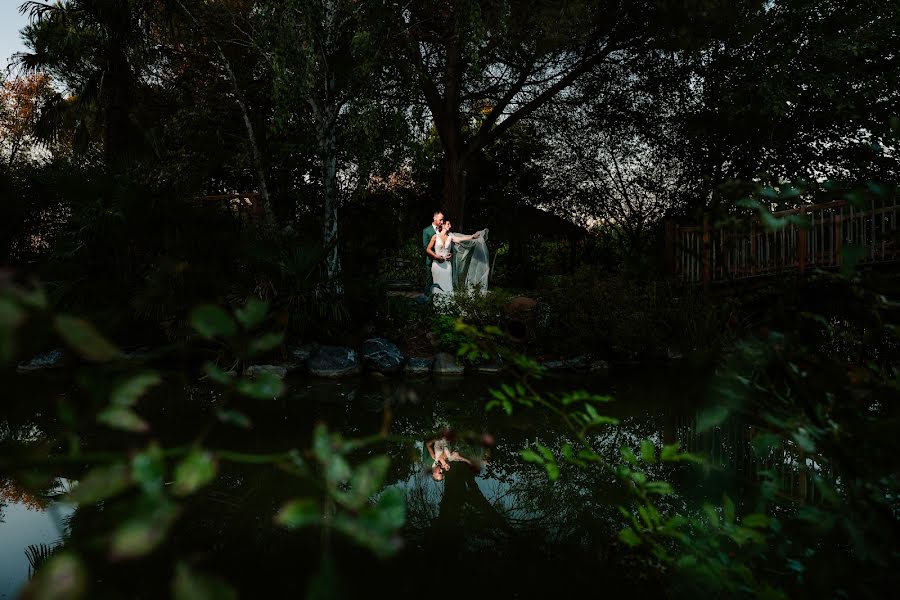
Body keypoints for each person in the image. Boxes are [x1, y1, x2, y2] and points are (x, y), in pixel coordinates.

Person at [425, 220, 482, 298]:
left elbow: (459, 239)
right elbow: (428, 249)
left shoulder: (450, 237)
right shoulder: (435, 236)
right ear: (443, 225)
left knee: (448, 285)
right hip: (437, 265)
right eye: (448, 224)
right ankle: (437, 307)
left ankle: (448, 306)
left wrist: (472, 237)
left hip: (447, 265)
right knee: (437, 286)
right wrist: (436, 256)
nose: (450, 226)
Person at [422, 211, 444, 297]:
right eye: (440, 220)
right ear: (434, 218)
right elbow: (426, 247)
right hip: (431, 261)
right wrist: (436, 256)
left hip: (442, 262)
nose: (442, 222)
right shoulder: (427, 231)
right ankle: (427, 301)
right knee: (430, 281)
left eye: (443, 220)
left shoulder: (443, 230)